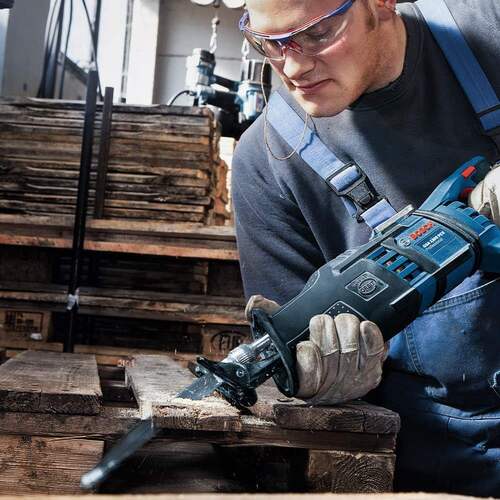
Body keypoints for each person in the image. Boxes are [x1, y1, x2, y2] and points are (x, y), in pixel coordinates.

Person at [231, 0, 500, 495]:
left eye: (317, 34)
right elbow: (289, 346)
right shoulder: (269, 160)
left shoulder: (490, 28)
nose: (293, 67)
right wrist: (324, 381)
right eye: (270, 43)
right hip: (452, 465)